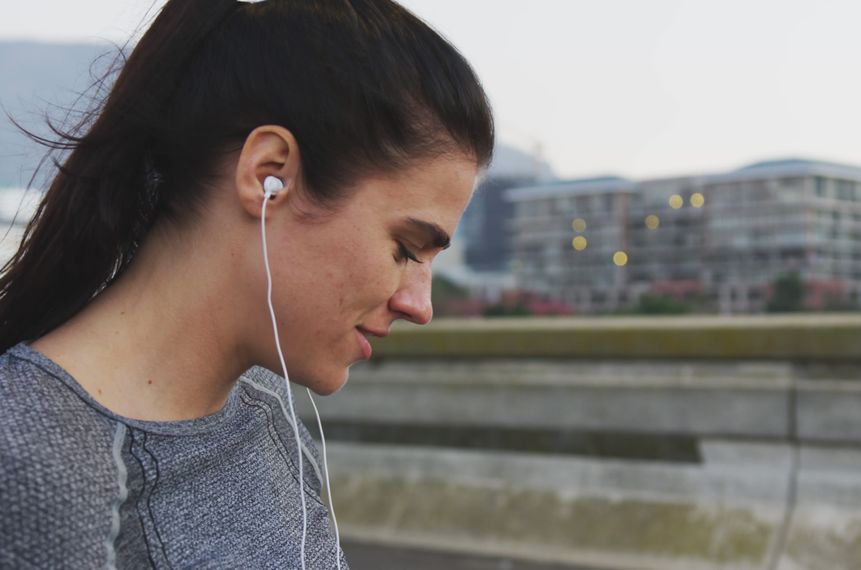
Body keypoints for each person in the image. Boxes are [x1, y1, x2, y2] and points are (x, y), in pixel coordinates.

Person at [0, 0, 494, 567]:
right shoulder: (29, 460)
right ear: (269, 176)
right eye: (406, 249)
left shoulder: (265, 408)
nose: (420, 306)